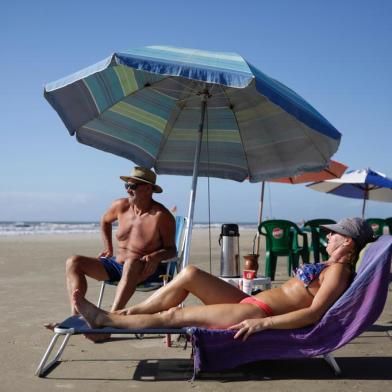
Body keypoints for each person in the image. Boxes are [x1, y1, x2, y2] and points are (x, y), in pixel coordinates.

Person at [72, 217, 374, 341]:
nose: (329, 236)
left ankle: (104, 319)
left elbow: (314, 313)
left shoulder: (337, 271)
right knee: (189, 273)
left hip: (257, 312)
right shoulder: (330, 265)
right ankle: (126, 314)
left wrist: (263, 323)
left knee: (174, 316)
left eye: (335, 234)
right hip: (250, 301)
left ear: (348, 242)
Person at [46, 167, 177, 341]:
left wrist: (155, 257)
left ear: (147, 189)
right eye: (126, 186)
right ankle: (77, 317)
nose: (128, 189)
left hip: (145, 271)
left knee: (131, 262)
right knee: (74, 262)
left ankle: (108, 323)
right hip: (117, 265)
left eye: (133, 186)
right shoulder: (120, 206)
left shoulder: (162, 216)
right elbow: (104, 221)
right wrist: (109, 248)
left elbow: (171, 250)